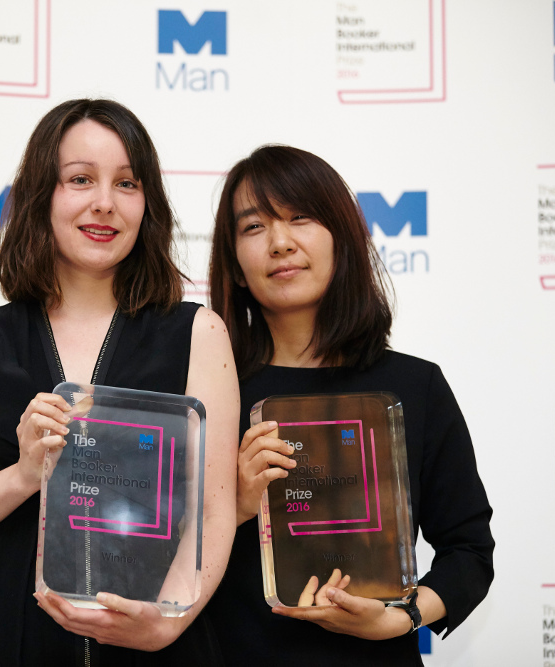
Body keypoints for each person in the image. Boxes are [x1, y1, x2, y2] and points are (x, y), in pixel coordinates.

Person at [0, 99, 239, 666]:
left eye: (127, 183)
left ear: (147, 203)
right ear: (40, 196)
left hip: (155, 640)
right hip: (7, 635)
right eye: (80, 179)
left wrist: (171, 620)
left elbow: (214, 513)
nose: (104, 202)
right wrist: (24, 476)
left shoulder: (197, 333)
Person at [206, 145, 494, 665]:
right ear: (235, 266)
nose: (279, 242)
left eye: (300, 217)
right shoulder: (209, 394)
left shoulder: (415, 385)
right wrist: (239, 506)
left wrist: (399, 619)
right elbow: (162, 563)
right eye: (254, 227)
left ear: (343, 238)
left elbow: (469, 553)